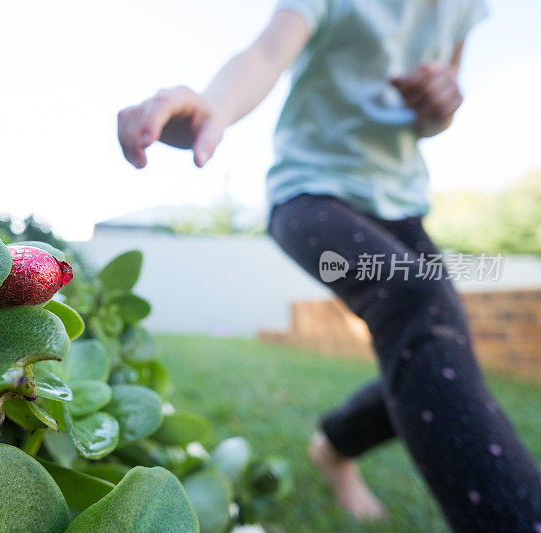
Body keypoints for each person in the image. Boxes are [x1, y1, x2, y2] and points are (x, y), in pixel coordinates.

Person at [117, 1, 541, 531]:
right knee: (415, 301)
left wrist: (441, 103)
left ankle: (335, 445)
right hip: (309, 194)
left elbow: (435, 113)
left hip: (400, 201)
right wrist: (214, 105)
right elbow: (267, 52)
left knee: (443, 340)